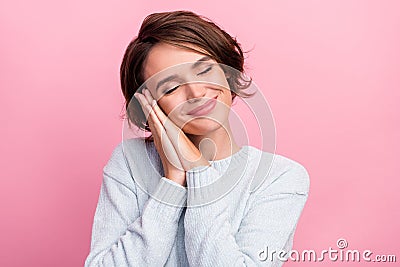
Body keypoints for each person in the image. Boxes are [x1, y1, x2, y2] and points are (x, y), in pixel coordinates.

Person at [84, 10, 310, 267]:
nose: (195, 92)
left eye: (204, 70)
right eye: (170, 87)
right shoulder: (130, 161)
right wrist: (172, 184)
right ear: (150, 105)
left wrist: (198, 169)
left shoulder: (279, 177)